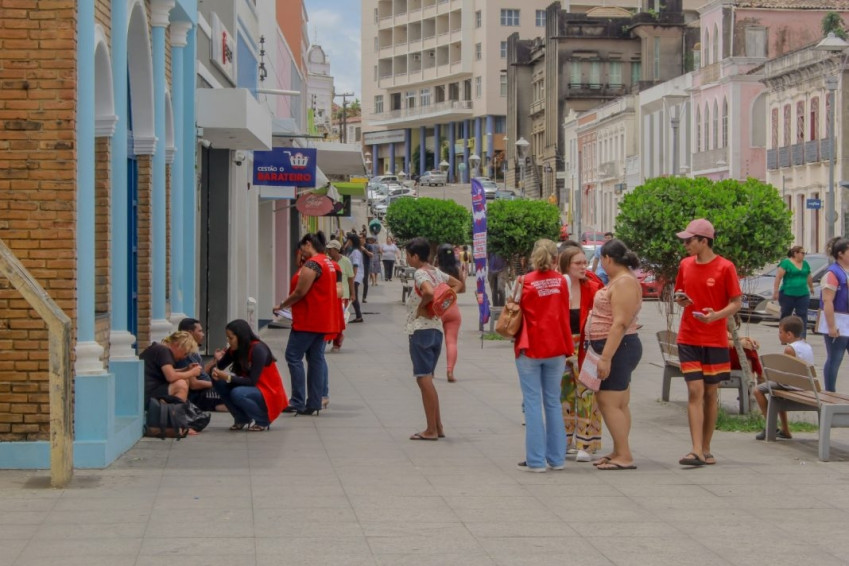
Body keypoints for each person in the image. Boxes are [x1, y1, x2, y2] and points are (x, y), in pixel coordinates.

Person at [674, 218, 742, 467]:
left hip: (714, 339)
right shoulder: (685, 265)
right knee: (695, 390)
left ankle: (705, 447)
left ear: (704, 241)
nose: (685, 245)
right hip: (688, 336)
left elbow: (736, 301)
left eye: (689, 241)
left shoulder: (725, 267)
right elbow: (679, 293)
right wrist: (681, 301)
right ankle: (695, 450)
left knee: (711, 393)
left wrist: (717, 316)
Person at [514, 239, 573, 472]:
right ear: (556, 258)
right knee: (553, 402)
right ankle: (557, 459)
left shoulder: (523, 282)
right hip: (556, 347)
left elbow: (514, 310)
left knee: (532, 404)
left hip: (530, 347)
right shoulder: (562, 282)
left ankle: (536, 461)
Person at [586, 239, 643, 470]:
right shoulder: (620, 280)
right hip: (616, 346)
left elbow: (619, 323)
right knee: (618, 403)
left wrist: (606, 357)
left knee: (609, 402)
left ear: (608, 259)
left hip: (618, 348)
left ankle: (625, 455)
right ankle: (620, 449)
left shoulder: (623, 283)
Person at [404, 237, 464, 441]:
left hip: (422, 330)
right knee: (427, 377)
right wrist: (444, 301)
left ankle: (431, 429)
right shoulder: (436, 272)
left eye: (408, 255)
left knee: (423, 378)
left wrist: (424, 306)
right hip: (436, 329)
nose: (407, 259)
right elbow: (458, 285)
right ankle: (437, 425)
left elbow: (428, 291)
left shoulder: (421, 273)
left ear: (415, 256)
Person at [276, 231, 341, 415]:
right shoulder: (327, 262)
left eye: (301, 248)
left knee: (293, 356)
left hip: (308, 320)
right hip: (322, 321)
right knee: (316, 359)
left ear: (307, 244)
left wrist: (281, 305)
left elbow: (299, 292)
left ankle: (297, 400)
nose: (301, 252)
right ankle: (314, 401)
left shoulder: (313, 264)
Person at [558, 245, 603, 463]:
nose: (584, 266)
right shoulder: (558, 288)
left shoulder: (593, 288)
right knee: (563, 395)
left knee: (587, 393)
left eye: (585, 262)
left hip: (586, 346)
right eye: (578, 263)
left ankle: (587, 442)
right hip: (561, 347)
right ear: (566, 265)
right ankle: (564, 440)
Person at [211, 319, 288, 431]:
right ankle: (241, 418)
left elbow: (252, 381)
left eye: (231, 338)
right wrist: (216, 363)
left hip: (267, 391)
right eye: (227, 338)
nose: (228, 341)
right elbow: (221, 365)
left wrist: (227, 377)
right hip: (252, 388)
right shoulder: (234, 349)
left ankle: (262, 420)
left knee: (237, 393)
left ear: (240, 337)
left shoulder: (258, 349)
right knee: (218, 382)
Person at [753, 315, 814, 440]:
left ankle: (770, 425)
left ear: (789, 335)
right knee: (777, 395)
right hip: (806, 384)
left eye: (780, 332)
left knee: (757, 390)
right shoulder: (807, 346)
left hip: (793, 385)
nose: (779, 335)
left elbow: (784, 372)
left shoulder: (789, 349)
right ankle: (785, 430)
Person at [175, 318, 225, 412]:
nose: (203, 334)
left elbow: (200, 373)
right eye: (200, 331)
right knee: (229, 393)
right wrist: (215, 384)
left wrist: (214, 361)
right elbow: (193, 384)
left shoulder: (193, 352)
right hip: (198, 395)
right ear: (190, 333)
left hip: (205, 390)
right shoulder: (183, 354)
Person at [820, 237, 849, 392]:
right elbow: (828, 301)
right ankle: (830, 392)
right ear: (840, 254)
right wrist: (831, 326)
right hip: (838, 324)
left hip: (847, 322)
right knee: (835, 359)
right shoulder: (832, 273)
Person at [140, 331, 200, 405]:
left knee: (184, 380)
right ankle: (176, 413)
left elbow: (166, 371)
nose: (184, 357)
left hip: (147, 390)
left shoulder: (160, 348)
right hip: (146, 394)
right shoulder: (163, 350)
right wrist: (192, 372)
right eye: (185, 353)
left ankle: (171, 410)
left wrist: (185, 369)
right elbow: (171, 377)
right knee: (180, 385)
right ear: (177, 345)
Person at [435, 244, 467, 383]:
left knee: (433, 342)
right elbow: (462, 289)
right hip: (452, 309)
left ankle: (430, 371)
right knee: (451, 342)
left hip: (437, 310)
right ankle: (450, 371)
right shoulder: (457, 269)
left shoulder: (435, 271)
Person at [772, 246, 814, 337]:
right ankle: (783, 335)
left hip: (803, 293)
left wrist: (811, 287)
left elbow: (809, 276)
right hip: (788, 293)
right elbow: (778, 277)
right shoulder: (786, 263)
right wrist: (776, 291)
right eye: (802, 253)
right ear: (795, 253)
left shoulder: (805, 264)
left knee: (802, 315)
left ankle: (801, 336)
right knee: (786, 314)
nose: (804, 255)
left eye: (804, 253)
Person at [326, 239, 354, 353]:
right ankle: (334, 336)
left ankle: (337, 341)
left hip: (343, 295)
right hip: (330, 295)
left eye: (330, 249)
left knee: (339, 320)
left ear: (336, 250)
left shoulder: (346, 261)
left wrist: (353, 293)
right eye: (327, 249)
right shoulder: (327, 261)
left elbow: (350, 278)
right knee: (331, 319)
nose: (328, 251)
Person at [345, 233, 365, 322]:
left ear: (352, 241)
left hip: (355, 277)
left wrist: (352, 278)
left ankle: (359, 316)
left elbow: (355, 265)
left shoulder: (356, 252)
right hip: (354, 276)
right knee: (353, 296)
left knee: (353, 296)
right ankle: (358, 315)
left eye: (348, 240)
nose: (347, 242)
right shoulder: (352, 250)